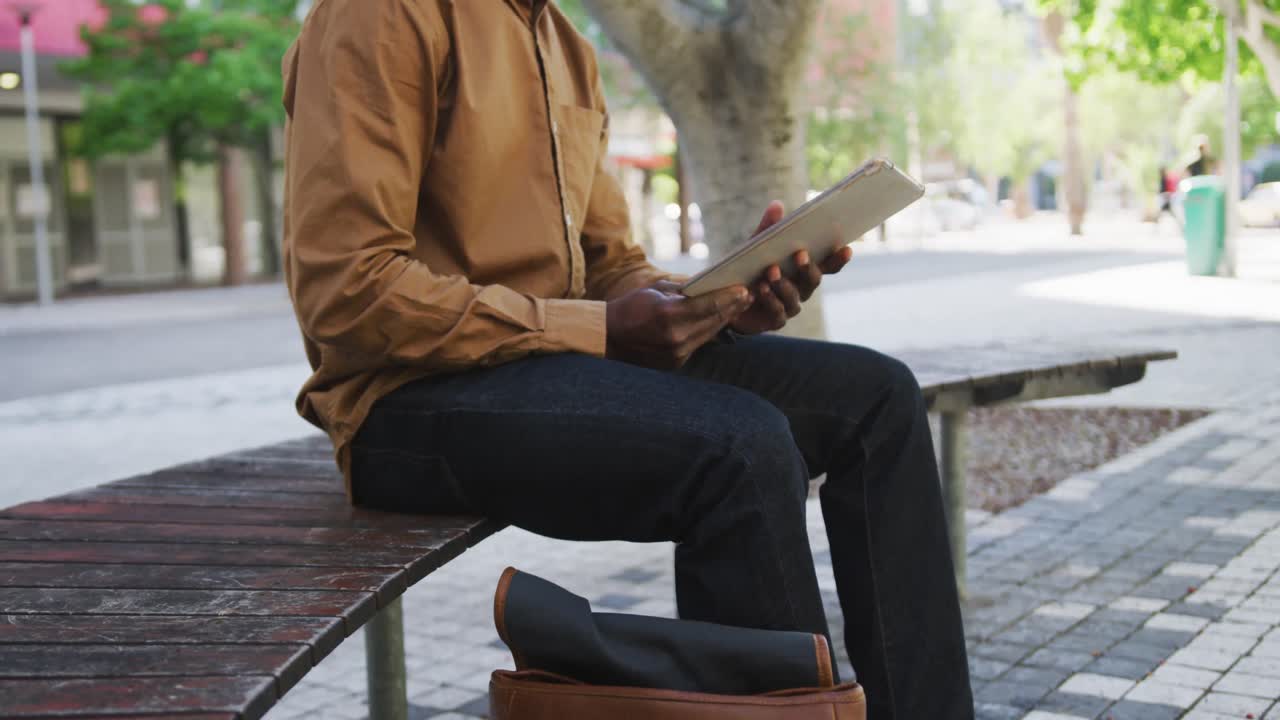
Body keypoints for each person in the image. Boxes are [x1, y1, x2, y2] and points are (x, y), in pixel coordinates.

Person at [280, 1, 973, 718]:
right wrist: (597, 328)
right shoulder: (383, 14)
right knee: (740, 446)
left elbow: (611, 269)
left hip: (553, 361)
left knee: (878, 398)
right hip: (403, 400)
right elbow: (347, 292)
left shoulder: (566, 47)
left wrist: (719, 304)